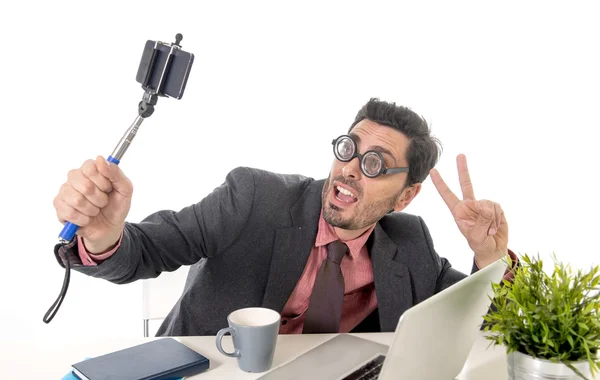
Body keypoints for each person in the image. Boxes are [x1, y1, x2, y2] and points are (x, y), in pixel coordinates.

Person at [54, 98, 513, 336]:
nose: (351, 169)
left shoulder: (409, 241)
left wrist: (491, 259)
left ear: (405, 197)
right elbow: (153, 247)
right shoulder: (255, 197)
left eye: (375, 164)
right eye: (349, 149)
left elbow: (476, 318)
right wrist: (104, 234)